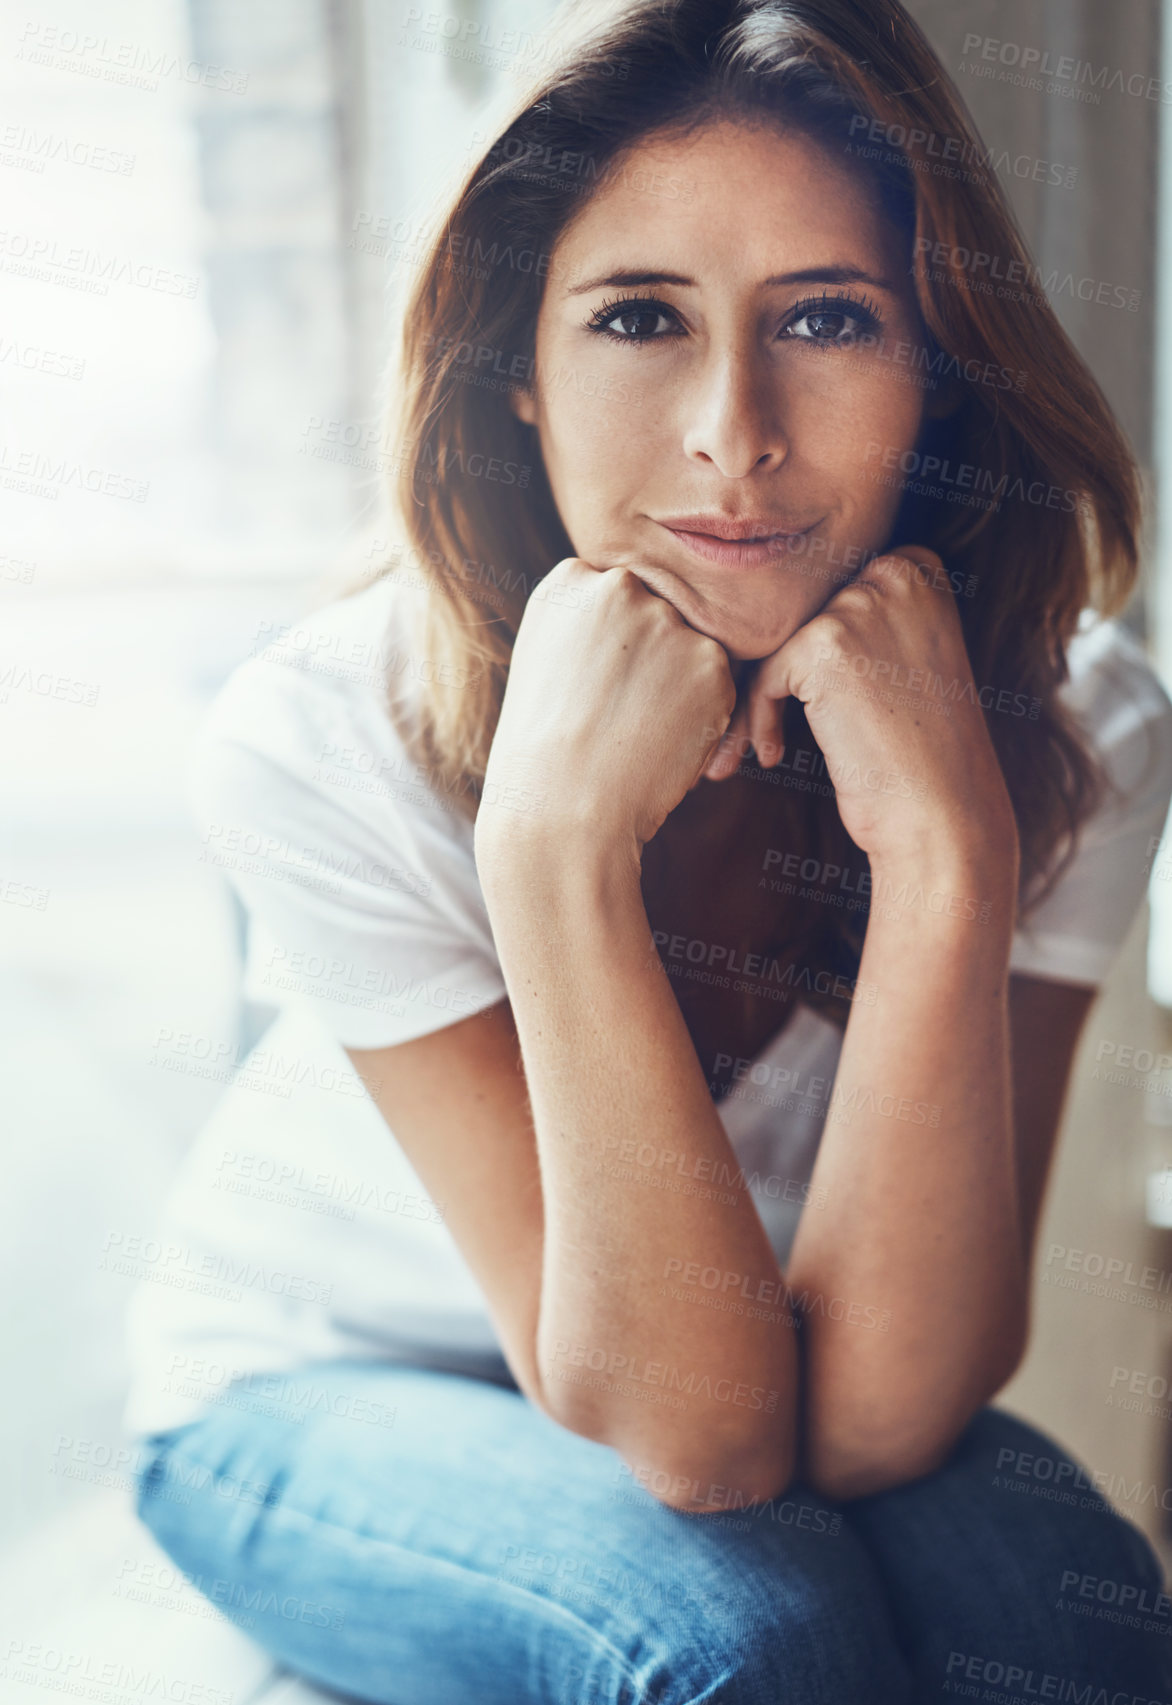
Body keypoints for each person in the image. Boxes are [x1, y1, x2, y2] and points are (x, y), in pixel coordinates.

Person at [127, 0, 1172, 1697]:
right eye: (637, 318)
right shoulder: (324, 733)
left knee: (1064, 1605)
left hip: (776, 1365)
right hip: (318, 1385)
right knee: (737, 1639)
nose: (732, 431)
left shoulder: (1083, 730)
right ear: (519, 379)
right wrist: (550, 850)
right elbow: (700, 1447)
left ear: (943, 367)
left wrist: (948, 859)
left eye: (830, 318)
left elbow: (896, 1407)